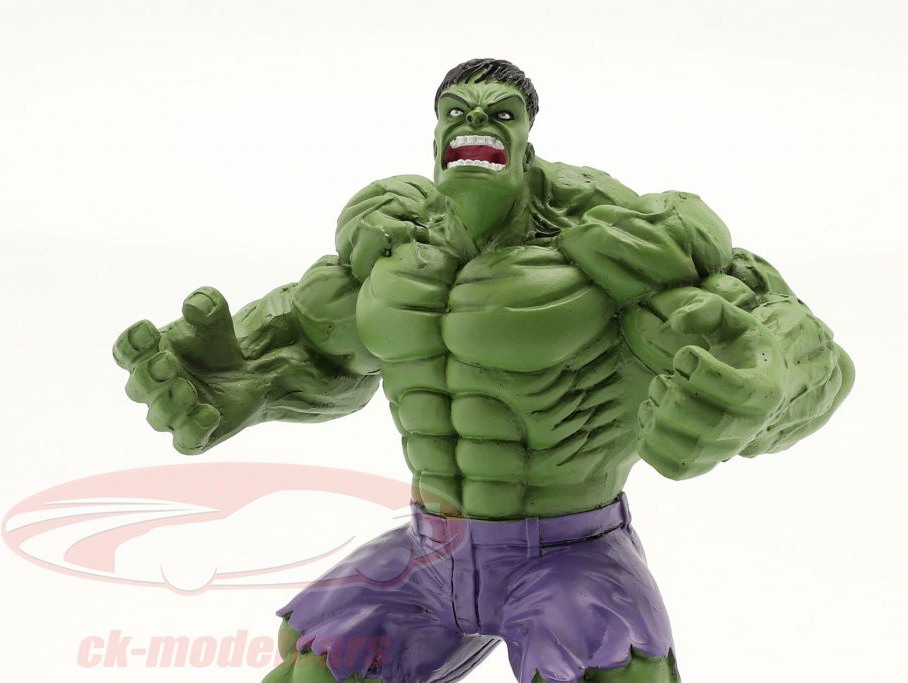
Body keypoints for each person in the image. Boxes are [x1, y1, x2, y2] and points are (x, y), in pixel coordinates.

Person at [114, 58, 854, 683]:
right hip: (427, 555)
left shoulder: (616, 248)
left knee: (612, 669)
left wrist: (765, 386)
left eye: (501, 113)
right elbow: (317, 351)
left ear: (526, 141)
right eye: (456, 112)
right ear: (436, 137)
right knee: (308, 668)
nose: (475, 122)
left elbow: (794, 342)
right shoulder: (391, 252)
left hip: (571, 559)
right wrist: (246, 384)